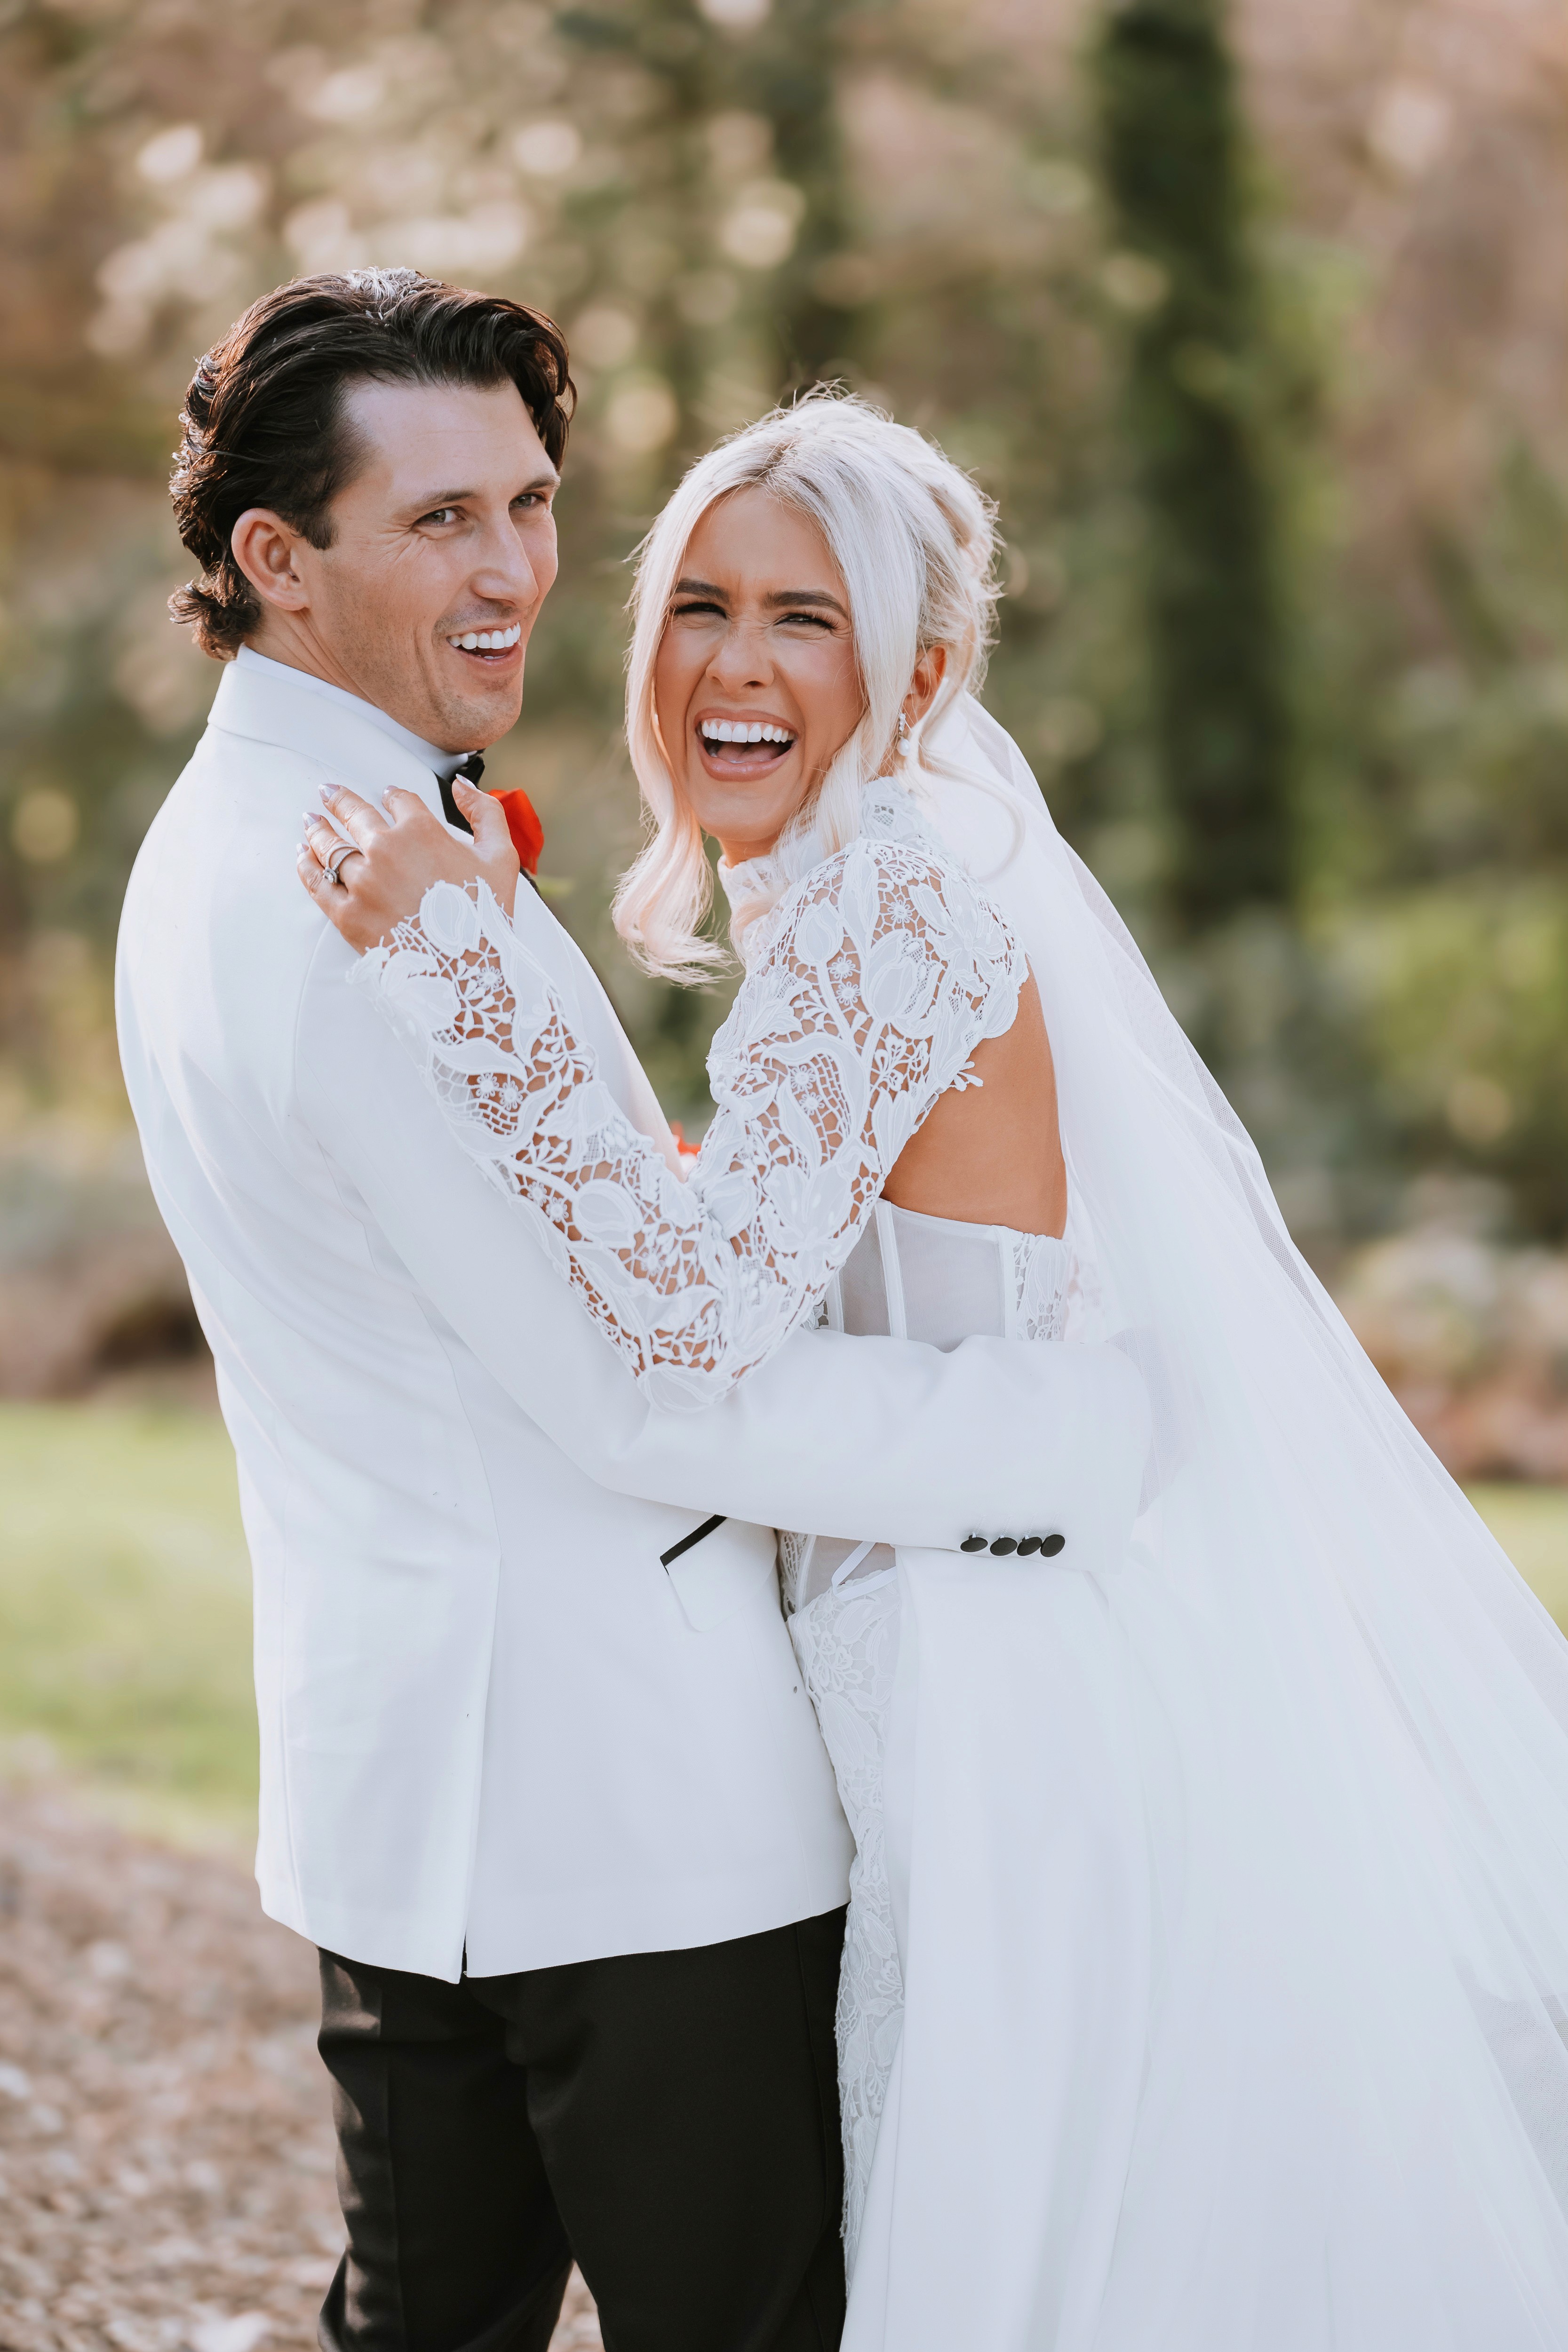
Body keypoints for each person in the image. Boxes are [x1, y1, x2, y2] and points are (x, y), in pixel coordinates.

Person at [305, 389, 1568, 2351]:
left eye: (805, 619)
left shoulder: (890, 906)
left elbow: (700, 1317)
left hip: (997, 1701)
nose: (734, 663)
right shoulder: (850, 889)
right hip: (940, 1661)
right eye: (702, 606)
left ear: (918, 676)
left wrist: (463, 966)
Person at [114, 274, 1147, 2352]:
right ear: (277, 561)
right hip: (633, 1806)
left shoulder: (235, 847)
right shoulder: (359, 907)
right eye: (441, 520)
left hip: (420, 1787)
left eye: (528, 502)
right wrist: (1052, 1434)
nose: (513, 570)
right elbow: (636, 1388)